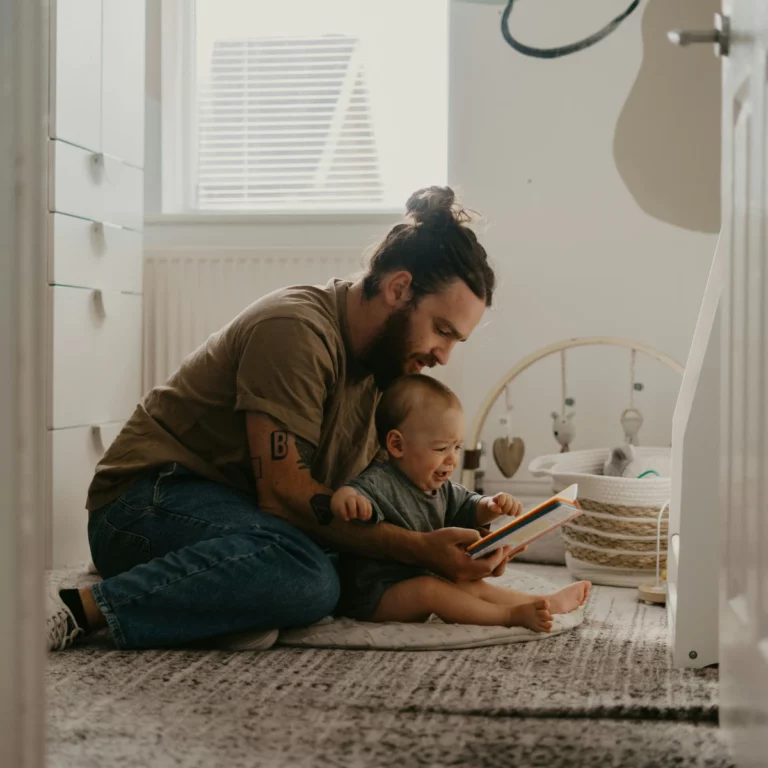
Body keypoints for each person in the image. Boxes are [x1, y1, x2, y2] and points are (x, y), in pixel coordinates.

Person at [46, 186, 517, 652]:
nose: (444, 356)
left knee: (348, 569)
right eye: (442, 331)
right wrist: (419, 548)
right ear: (399, 289)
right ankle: (81, 609)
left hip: (239, 515)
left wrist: (462, 543)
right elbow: (284, 494)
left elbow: (381, 499)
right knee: (310, 578)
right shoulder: (296, 330)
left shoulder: (390, 367)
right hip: (143, 502)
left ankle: (211, 607)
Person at [332, 375, 591, 631]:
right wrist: (349, 500)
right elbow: (349, 492)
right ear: (397, 445)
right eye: (441, 448)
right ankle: (508, 616)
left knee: (468, 585)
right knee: (430, 589)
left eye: (457, 447)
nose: (452, 460)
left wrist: (492, 505)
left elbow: (470, 505)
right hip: (374, 596)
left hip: (415, 576)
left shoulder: (442, 488)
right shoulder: (382, 481)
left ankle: (545, 602)